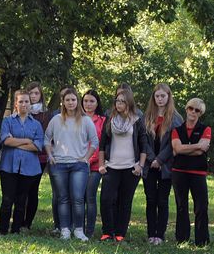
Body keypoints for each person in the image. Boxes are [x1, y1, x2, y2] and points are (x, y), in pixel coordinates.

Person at [45, 87, 98, 241]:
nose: (70, 102)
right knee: (62, 198)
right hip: (59, 164)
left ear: (77, 101)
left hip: (79, 165)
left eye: (73, 99)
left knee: (78, 198)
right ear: (63, 102)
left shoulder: (85, 120)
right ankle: (65, 230)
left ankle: (79, 230)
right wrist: (50, 155)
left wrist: (86, 157)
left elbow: (94, 141)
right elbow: (46, 138)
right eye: (67, 100)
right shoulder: (56, 120)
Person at [98, 86, 149, 242]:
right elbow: (102, 143)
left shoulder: (137, 120)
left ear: (129, 103)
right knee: (106, 199)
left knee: (125, 201)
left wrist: (140, 165)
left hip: (130, 168)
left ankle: (120, 233)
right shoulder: (110, 118)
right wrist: (101, 164)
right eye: (117, 100)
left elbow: (143, 145)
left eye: (122, 101)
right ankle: (107, 231)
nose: (118, 103)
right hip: (111, 166)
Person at [0, 89, 44, 235]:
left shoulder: (36, 125)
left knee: (21, 201)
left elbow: (37, 146)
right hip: (8, 166)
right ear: (15, 104)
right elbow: (6, 140)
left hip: (29, 168)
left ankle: (16, 230)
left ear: (30, 104)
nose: (24, 104)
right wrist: (26, 141)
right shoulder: (7, 121)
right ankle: (3, 230)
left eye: (27, 101)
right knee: (7, 200)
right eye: (21, 101)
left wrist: (15, 141)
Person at [143, 83, 183, 245]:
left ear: (168, 97)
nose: (160, 99)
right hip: (149, 164)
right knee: (151, 199)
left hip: (166, 165)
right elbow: (143, 141)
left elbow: (174, 143)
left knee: (162, 200)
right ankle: (151, 233)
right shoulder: (146, 117)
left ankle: (160, 234)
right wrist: (152, 159)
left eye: (163, 96)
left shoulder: (176, 118)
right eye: (157, 96)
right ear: (154, 98)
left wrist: (159, 160)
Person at [171, 97, 211, 246]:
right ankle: (182, 238)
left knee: (201, 206)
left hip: (198, 173)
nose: (193, 112)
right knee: (181, 206)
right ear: (186, 109)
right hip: (179, 172)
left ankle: (202, 240)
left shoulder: (206, 129)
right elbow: (177, 148)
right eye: (190, 108)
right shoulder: (177, 130)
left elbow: (201, 149)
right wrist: (196, 146)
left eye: (197, 110)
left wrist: (183, 149)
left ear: (200, 113)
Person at [22, 81, 55, 231]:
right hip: (21, 155)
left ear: (41, 96)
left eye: (36, 93)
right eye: (31, 93)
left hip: (39, 157)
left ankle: (27, 223)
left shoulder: (46, 115)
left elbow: (44, 138)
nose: (33, 96)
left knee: (32, 189)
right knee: (21, 189)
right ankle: (18, 220)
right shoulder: (21, 111)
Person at [82, 89, 106, 238]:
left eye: (92, 101)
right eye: (85, 101)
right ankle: (78, 228)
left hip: (96, 165)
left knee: (90, 197)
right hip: (78, 164)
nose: (88, 104)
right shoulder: (77, 118)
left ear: (97, 103)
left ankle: (89, 231)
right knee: (78, 198)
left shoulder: (103, 120)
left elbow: (101, 144)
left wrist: (89, 159)